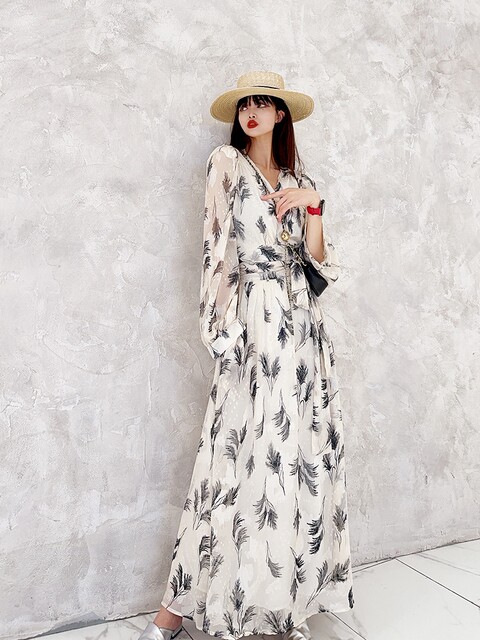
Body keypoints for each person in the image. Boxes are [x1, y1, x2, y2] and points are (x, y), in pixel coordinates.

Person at [137, 70, 354, 640]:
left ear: (281, 114)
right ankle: (177, 610)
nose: (251, 112)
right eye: (244, 105)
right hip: (252, 326)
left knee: (292, 459)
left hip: (301, 331)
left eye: (263, 103)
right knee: (234, 454)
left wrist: (315, 209)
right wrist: (222, 333)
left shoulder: (300, 180)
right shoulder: (226, 165)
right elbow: (216, 249)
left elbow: (320, 269)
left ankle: (280, 606)